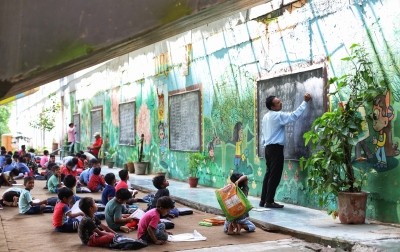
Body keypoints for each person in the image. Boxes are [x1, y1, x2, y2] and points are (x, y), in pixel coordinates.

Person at [260, 93, 312, 208]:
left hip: (268, 148)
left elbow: (263, 134)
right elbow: (294, 115)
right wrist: (304, 102)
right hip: (276, 149)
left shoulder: (265, 117)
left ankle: (263, 200)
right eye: (278, 103)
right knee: (275, 175)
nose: (281, 103)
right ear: (273, 107)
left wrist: (265, 145)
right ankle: (269, 201)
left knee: (268, 174)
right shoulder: (277, 116)